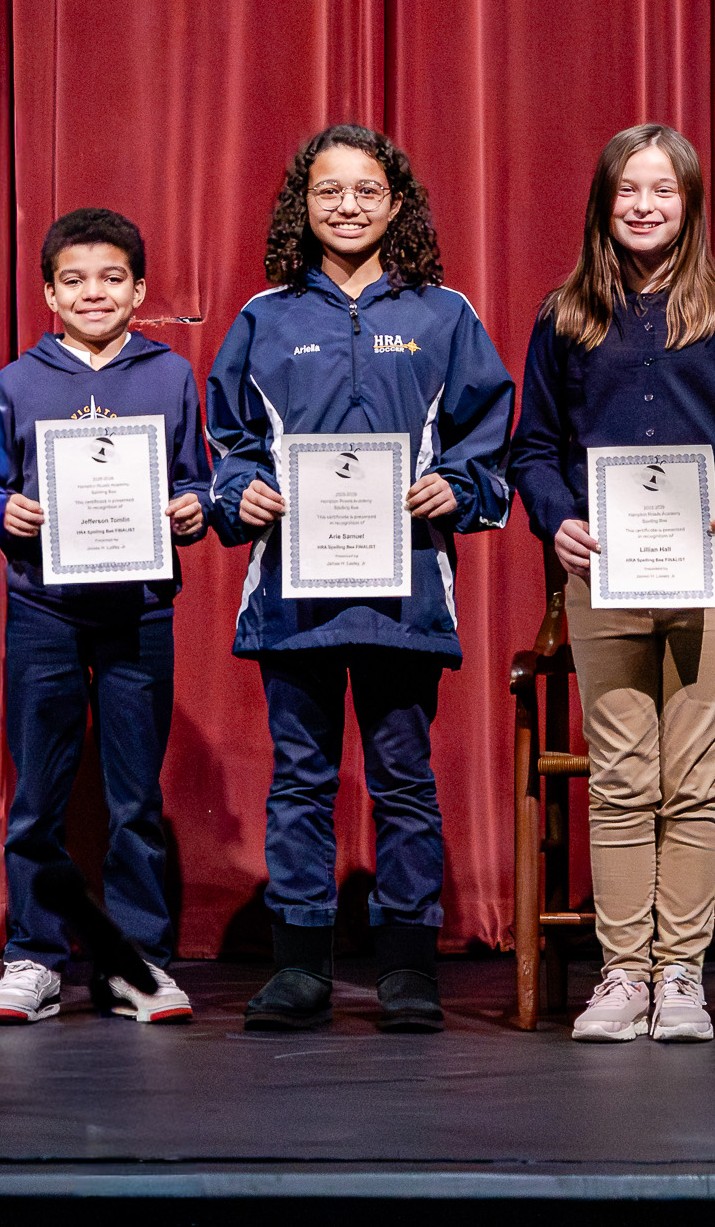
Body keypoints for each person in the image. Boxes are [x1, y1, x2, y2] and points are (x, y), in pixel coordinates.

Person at [207, 124, 515, 1033]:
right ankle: (300, 965)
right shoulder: (265, 318)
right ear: (303, 206)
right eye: (329, 190)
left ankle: (408, 969)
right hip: (293, 594)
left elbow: (487, 442)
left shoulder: (443, 315)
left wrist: (453, 487)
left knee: (404, 778)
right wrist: (240, 492)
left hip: (405, 591)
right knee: (300, 777)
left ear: (396, 205)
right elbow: (225, 446)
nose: (347, 205)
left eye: (366, 190)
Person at [508, 124, 715, 1043]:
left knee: (695, 782)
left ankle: (683, 977)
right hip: (608, 575)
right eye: (628, 189)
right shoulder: (566, 316)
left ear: (690, 203)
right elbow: (533, 447)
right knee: (624, 778)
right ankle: (624, 973)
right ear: (603, 201)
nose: (644, 205)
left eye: (663, 190)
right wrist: (559, 518)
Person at [0, 208, 210, 1026]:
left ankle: (136, 963)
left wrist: (195, 509)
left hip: (139, 610)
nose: (94, 292)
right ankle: (33, 957)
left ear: (139, 289)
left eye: (113, 278)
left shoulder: (170, 374)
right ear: (48, 292)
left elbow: (200, 480)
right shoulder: (16, 382)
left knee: (134, 796)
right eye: (73, 279)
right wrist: (5, 513)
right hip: (44, 608)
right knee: (37, 795)